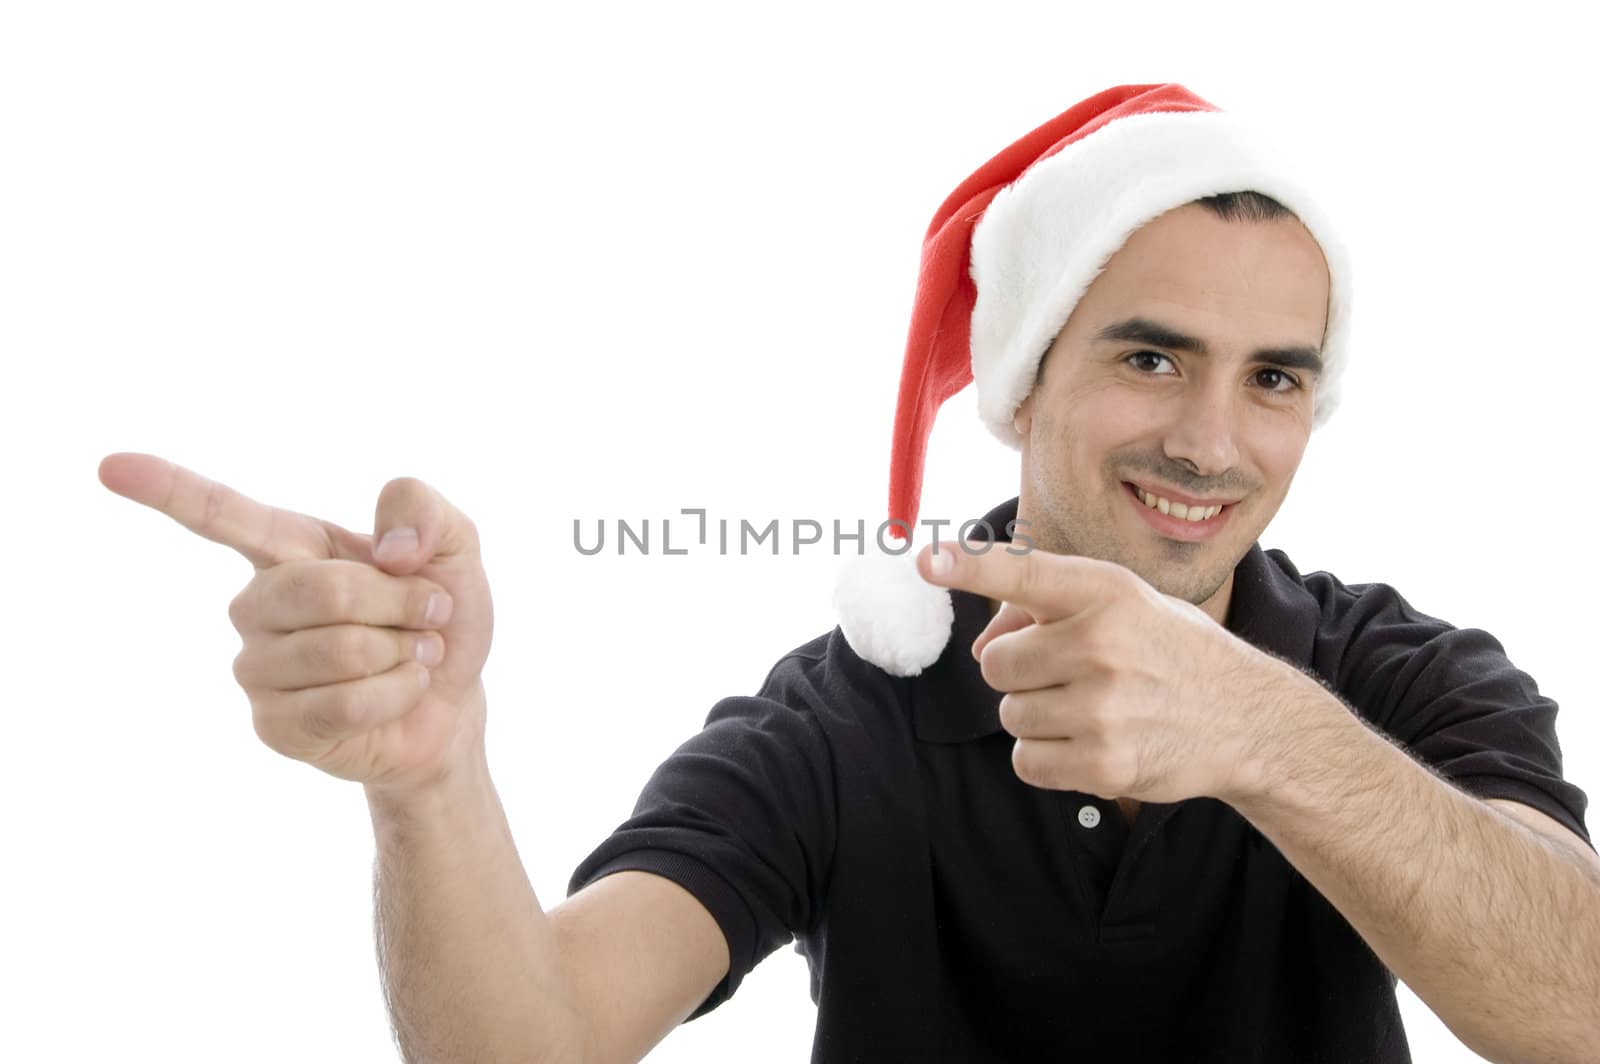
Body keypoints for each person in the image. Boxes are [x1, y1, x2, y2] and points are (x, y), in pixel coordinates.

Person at [98, 84, 1598, 1063]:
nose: (1214, 441)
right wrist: (426, 780)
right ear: (1025, 383)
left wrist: (1257, 732)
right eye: (1151, 357)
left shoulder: (1409, 679)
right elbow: (528, 1042)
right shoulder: (847, 718)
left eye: (1276, 379)